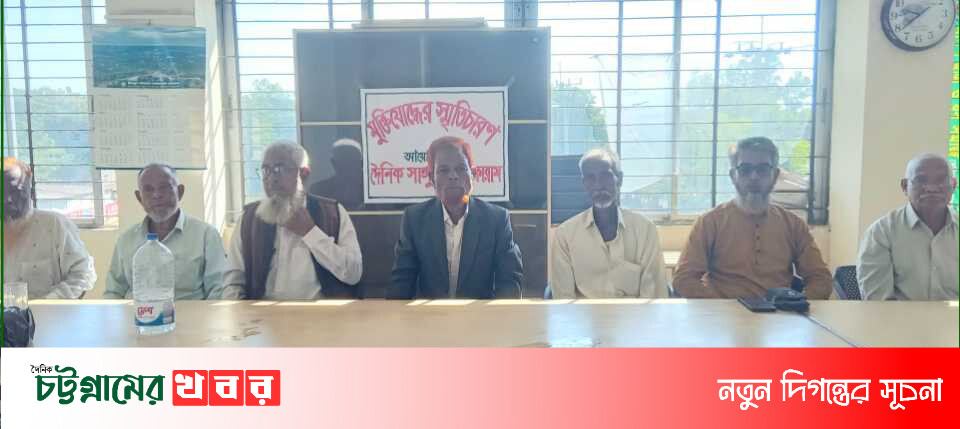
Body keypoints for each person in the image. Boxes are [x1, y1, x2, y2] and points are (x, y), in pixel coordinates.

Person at [673, 137, 831, 299]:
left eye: (762, 169)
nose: (754, 177)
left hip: (779, 312)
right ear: (733, 175)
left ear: (775, 175)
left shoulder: (793, 225)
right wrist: (720, 306)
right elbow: (684, 280)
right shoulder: (710, 223)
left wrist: (798, 303)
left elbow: (821, 279)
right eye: (745, 169)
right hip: (723, 312)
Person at [222, 141, 362, 299]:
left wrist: (310, 232)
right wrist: (239, 311)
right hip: (260, 313)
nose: (271, 178)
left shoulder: (332, 213)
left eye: (279, 169)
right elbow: (232, 281)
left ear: (304, 174)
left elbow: (353, 273)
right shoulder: (249, 219)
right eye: (266, 170)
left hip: (320, 312)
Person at [387, 136, 523, 299]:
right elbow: (401, 283)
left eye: (460, 168)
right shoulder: (414, 220)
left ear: (473, 174)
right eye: (443, 170)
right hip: (429, 314)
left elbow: (509, 283)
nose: (453, 176)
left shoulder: (497, 220)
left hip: (479, 314)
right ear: (432, 178)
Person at [550, 148, 668, 298]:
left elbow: (654, 297)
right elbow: (563, 299)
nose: (598, 185)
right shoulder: (565, 235)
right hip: (583, 313)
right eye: (591, 178)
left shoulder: (645, 230)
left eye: (605, 176)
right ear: (584, 184)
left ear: (620, 179)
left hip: (633, 313)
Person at [103, 163, 228, 299]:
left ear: (180, 192)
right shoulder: (126, 240)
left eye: (165, 187)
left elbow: (218, 290)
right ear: (139, 198)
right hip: (137, 311)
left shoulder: (206, 235)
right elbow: (113, 292)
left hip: (189, 312)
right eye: (148, 189)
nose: (157, 195)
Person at [858, 153, 958, 300]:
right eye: (921, 180)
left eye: (941, 180)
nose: (931, 188)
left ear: (953, 185)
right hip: (899, 316)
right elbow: (879, 303)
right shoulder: (881, 233)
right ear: (905, 186)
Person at [2, 157, 95, 298]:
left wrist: (47, 304)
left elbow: (82, 275)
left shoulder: (55, 225)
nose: (6, 199)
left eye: (14, 191)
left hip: (46, 310)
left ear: (31, 190)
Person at [310, 138, 365, 210]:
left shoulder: (370, 191)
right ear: (333, 163)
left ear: (361, 163)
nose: (348, 166)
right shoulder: (318, 191)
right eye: (343, 161)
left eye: (352, 161)